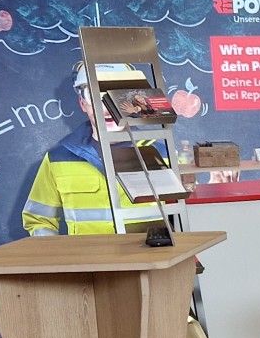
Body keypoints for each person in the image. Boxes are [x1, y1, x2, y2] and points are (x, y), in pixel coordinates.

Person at [22, 64, 164, 236]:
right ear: (83, 104)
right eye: (95, 97)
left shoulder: (163, 155)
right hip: (86, 253)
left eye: (116, 97)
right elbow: (39, 219)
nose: (106, 110)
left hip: (145, 253)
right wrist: (58, 251)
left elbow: (183, 215)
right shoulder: (58, 158)